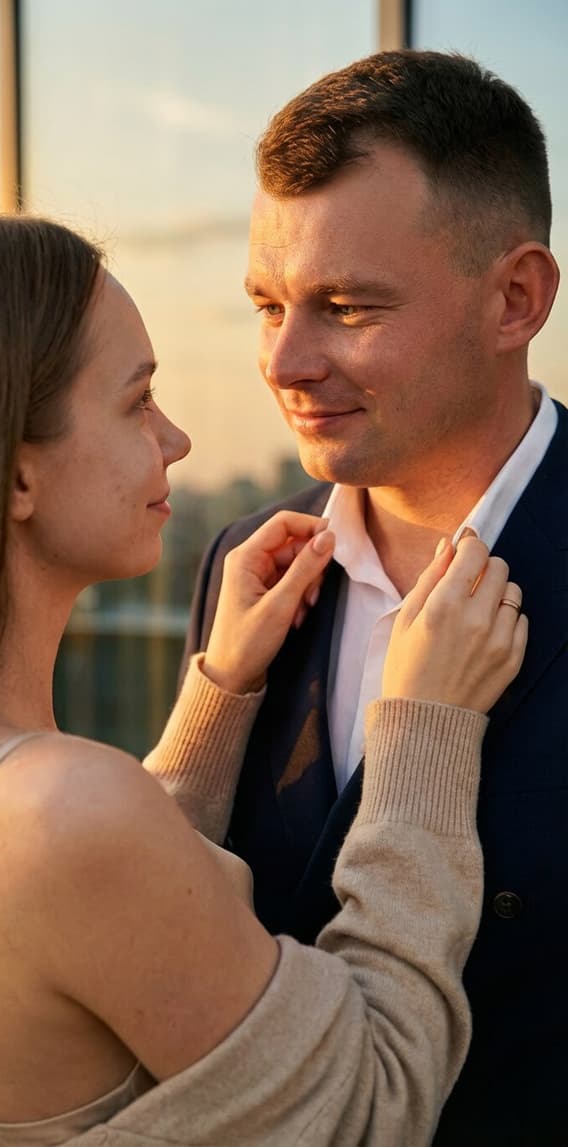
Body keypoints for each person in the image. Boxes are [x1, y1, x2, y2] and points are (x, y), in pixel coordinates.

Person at [0, 213, 526, 1147]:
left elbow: (109, 906)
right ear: (15, 476)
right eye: (137, 401)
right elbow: (369, 1106)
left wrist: (219, 696)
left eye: (348, 306)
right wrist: (423, 727)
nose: (176, 439)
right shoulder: (63, 809)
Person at [180, 49, 568, 1146]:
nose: (284, 362)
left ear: (516, 298)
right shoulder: (242, 564)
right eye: (267, 306)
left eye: (346, 306)